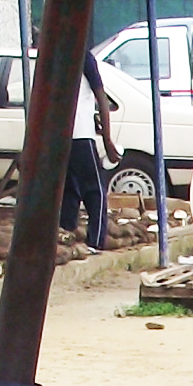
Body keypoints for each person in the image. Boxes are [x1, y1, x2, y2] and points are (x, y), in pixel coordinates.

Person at [59, 50, 117, 251]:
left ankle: (66, 231)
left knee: (69, 188)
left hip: (60, 136)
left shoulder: (55, 57)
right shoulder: (83, 56)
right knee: (95, 190)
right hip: (81, 134)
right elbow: (101, 98)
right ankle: (95, 240)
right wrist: (108, 139)